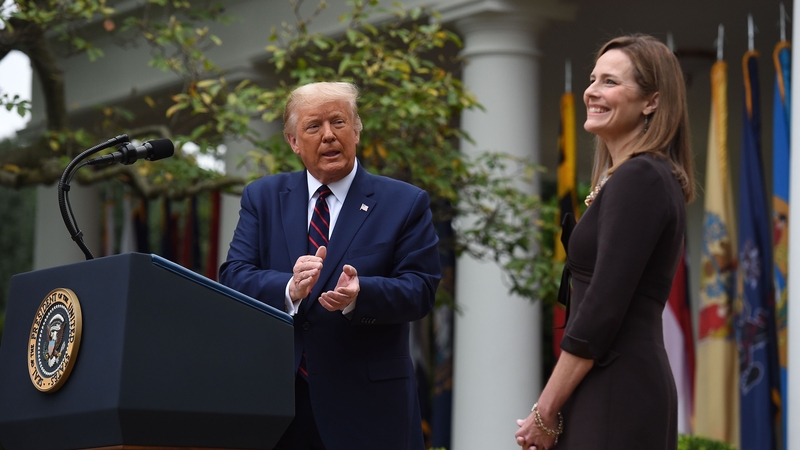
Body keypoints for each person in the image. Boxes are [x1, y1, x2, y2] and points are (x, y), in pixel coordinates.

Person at [220, 81, 441, 450]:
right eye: (313, 126)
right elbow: (234, 276)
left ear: (356, 131)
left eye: (338, 122)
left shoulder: (404, 202)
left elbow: (420, 289)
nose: (328, 135)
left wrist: (361, 294)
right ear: (293, 141)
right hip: (278, 405)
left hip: (368, 410)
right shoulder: (263, 197)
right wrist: (289, 288)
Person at [515, 34, 694, 449]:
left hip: (617, 386)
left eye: (610, 82)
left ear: (651, 101)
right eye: (593, 79)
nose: (591, 91)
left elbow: (600, 309)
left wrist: (545, 409)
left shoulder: (641, 177)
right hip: (608, 380)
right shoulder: (634, 177)